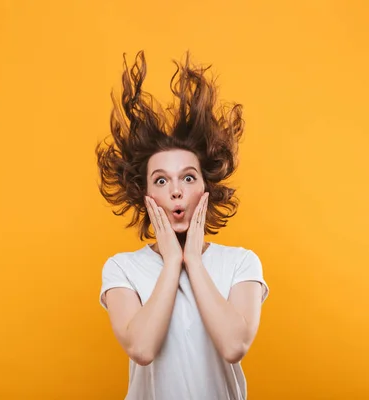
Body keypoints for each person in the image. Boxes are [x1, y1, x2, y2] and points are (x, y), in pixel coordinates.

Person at [95, 50, 269, 400]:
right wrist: (173, 262)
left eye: (188, 178)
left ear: (206, 187)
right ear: (144, 194)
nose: (175, 190)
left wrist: (193, 257)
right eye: (160, 181)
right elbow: (141, 349)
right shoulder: (121, 269)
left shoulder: (241, 263)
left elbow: (235, 345)